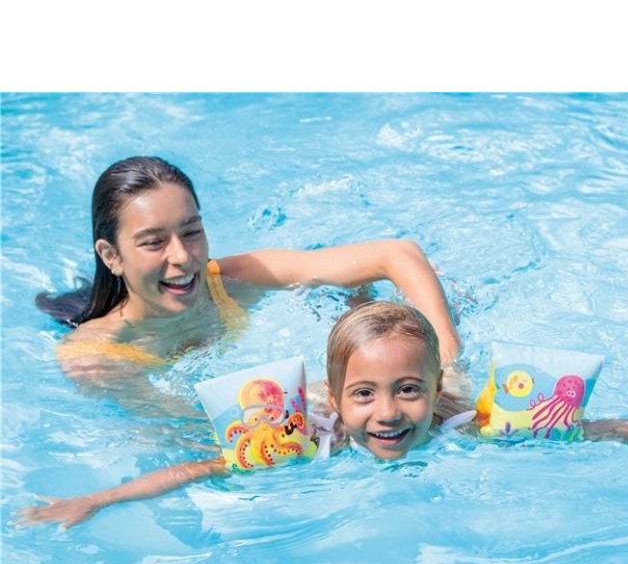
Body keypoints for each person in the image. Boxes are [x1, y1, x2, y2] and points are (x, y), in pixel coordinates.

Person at [13, 302, 628, 530]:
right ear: (338, 399)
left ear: (429, 391)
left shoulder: (460, 422)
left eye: (407, 391)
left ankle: (411, 337)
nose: (388, 413)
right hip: (325, 392)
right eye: (366, 396)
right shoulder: (313, 438)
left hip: (449, 381)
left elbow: (587, 429)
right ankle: (355, 311)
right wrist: (99, 498)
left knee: (442, 363)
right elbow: (197, 468)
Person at [36, 156, 462, 393]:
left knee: (442, 293)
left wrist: (445, 362)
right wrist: (332, 395)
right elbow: (201, 435)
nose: (183, 256)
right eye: (153, 242)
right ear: (111, 256)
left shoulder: (231, 281)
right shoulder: (97, 358)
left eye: (192, 231)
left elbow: (397, 253)